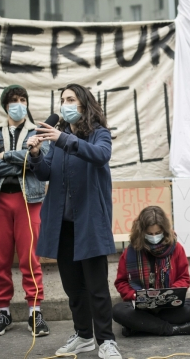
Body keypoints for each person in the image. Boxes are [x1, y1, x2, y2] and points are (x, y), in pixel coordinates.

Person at [27, 84, 121, 359]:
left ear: (84, 104)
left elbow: (100, 155)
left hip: (89, 224)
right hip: (62, 225)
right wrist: (35, 156)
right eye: (62, 100)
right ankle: (83, 336)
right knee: (73, 287)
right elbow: (47, 174)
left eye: (70, 99)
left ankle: (106, 340)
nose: (65, 104)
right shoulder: (60, 138)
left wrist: (61, 139)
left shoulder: (98, 135)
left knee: (96, 287)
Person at [0, 85, 50, 337]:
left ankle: (34, 311)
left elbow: (39, 162)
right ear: (5, 105)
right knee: (0, 259)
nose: (19, 104)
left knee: (30, 258)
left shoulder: (38, 132)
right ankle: (4, 312)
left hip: (28, 200)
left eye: (22, 99)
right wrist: (22, 161)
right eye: (13, 100)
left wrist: (5, 155)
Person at [112, 206, 190, 337]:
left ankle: (140, 327)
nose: (154, 237)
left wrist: (170, 293)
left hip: (168, 307)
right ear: (142, 231)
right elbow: (121, 282)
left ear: (164, 231)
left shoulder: (176, 249)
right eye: (149, 234)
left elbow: (184, 278)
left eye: (157, 233)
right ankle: (173, 329)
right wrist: (134, 296)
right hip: (141, 308)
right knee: (118, 311)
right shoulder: (130, 252)